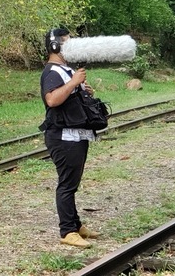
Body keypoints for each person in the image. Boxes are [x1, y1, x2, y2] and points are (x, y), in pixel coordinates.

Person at [38, 27, 102, 249]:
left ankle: (76, 224)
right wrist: (74, 83)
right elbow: (52, 100)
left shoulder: (65, 70)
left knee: (72, 183)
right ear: (55, 46)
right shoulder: (52, 72)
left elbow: (67, 97)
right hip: (62, 137)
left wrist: (83, 90)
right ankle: (67, 230)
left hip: (75, 135)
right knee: (67, 185)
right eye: (67, 43)